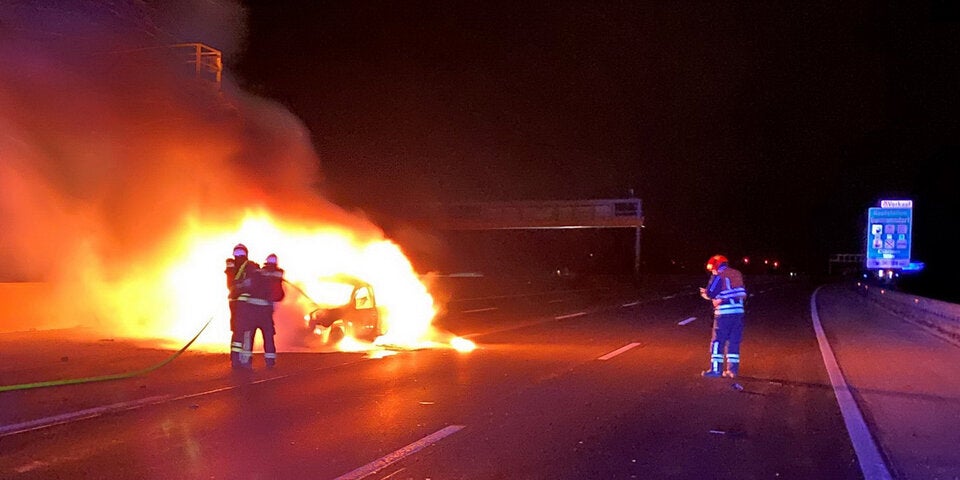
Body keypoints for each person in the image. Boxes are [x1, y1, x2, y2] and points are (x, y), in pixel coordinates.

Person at [699, 254, 747, 378]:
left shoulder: (719, 275)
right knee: (733, 342)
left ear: (716, 265)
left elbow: (711, 292)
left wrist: (705, 294)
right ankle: (732, 371)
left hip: (724, 313)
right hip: (738, 313)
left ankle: (716, 370)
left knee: (717, 342)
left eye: (712, 268)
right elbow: (739, 293)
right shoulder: (737, 274)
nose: (712, 271)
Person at [256, 253, 285, 368]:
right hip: (268, 308)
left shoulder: (263, 272)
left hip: (262, 308)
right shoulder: (278, 272)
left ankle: (247, 359)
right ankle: (270, 360)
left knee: (265, 333)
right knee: (268, 334)